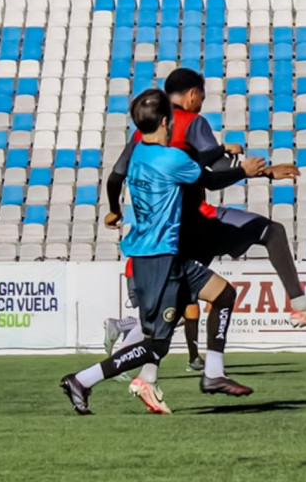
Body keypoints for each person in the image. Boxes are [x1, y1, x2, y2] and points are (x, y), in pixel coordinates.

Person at [61, 90, 265, 415]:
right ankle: (82, 380)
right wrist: (245, 171)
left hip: (166, 256)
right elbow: (210, 181)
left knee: (224, 295)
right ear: (166, 122)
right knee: (155, 344)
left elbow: (119, 178)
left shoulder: (139, 152)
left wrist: (114, 209)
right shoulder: (171, 159)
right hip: (160, 261)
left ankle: (212, 373)